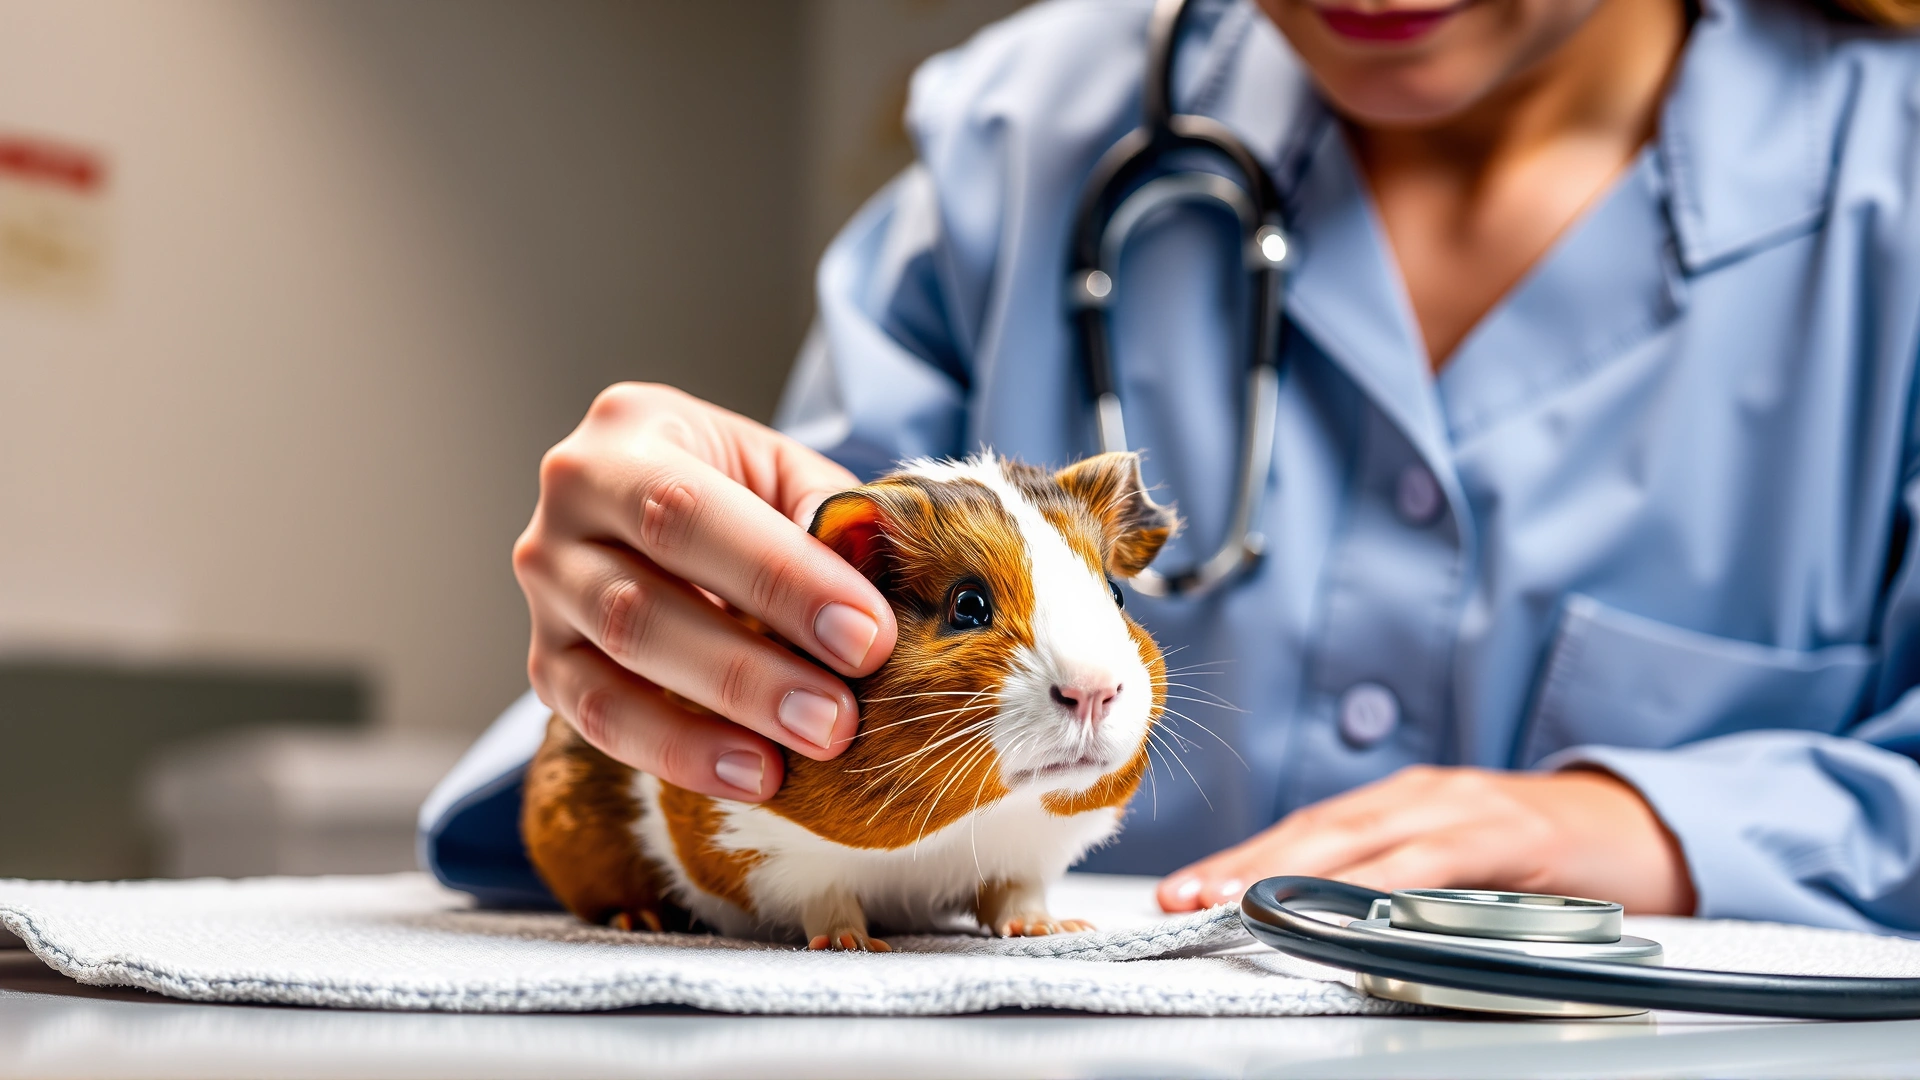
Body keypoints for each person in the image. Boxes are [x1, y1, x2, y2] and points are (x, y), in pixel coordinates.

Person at [420, 0, 1920, 933]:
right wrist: (657, 629)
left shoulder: (1888, 176)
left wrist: (1668, 835)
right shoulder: (1019, 137)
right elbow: (767, 700)